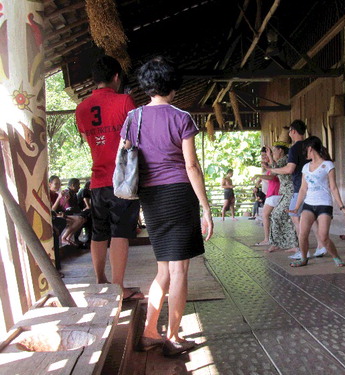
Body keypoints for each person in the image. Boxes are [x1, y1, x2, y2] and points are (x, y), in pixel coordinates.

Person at [122, 56, 213, 355]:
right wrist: (206, 207)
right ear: (173, 85)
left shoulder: (133, 118)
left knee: (164, 269)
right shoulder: (181, 117)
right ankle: (173, 338)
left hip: (150, 198)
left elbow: (126, 158)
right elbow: (191, 166)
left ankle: (150, 332)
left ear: (147, 86)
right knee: (180, 271)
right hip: (178, 194)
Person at [75, 55, 143, 301]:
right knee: (120, 232)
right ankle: (118, 288)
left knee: (99, 231)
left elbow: (87, 138)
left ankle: (100, 280)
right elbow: (136, 137)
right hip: (122, 180)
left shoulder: (81, 108)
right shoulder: (124, 100)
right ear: (116, 77)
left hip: (97, 180)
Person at [268, 120, 326, 257]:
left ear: (293, 131)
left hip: (300, 188)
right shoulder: (310, 146)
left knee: (295, 217)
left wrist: (274, 170)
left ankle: (302, 250)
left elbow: (290, 169)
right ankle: (321, 246)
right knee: (313, 219)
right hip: (315, 186)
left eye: (289, 132)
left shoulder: (295, 148)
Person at [288, 136, 345, 267]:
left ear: (310, 148)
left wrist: (342, 207)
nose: (304, 154)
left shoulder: (328, 165)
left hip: (324, 204)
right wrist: (297, 207)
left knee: (323, 236)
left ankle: (336, 257)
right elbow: (303, 188)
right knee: (302, 234)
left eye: (305, 151)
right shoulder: (305, 167)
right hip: (309, 204)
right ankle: (303, 258)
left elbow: (333, 187)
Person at [265, 143, 298, 252]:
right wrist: (270, 158)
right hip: (286, 192)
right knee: (284, 216)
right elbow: (275, 168)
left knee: (277, 214)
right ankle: (283, 243)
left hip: (290, 191)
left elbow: (273, 172)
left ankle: (285, 243)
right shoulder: (283, 160)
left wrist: (269, 163)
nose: (273, 154)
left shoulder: (286, 160)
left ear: (281, 150)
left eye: (274, 151)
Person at [253, 146, 281, 245]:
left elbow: (271, 177)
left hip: (275, 194)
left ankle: (267, 239)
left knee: (265, 215)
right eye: (262, 156)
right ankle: (271, 239)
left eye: (266, 155)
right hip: (271, 194)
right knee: (270, 217)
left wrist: (258, 175)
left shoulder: (275, 166)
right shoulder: (269, 168)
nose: (263, 157)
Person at [49, 176, 86, 247]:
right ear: (49, 184)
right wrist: (59, 198)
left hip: (58, 215)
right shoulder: (48, 195)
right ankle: (64, 238)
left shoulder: (56, 194)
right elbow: (52, 210)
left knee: (81, 219)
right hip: (53, 217)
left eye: (59, 184)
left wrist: (65, 200)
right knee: (78, 219)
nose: (58, 186)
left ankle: (67, 238)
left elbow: (60, 208)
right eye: (56, 184)